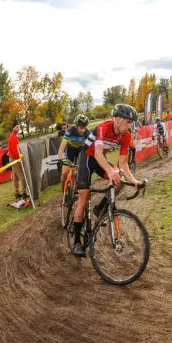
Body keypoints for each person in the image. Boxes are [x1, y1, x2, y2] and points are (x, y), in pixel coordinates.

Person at [71, 104, 144, 257]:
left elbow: (123, 164)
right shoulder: (103, 127)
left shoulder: (126, 136)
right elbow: (97, 154)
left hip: (99, 160)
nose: (131, 126)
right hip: (87, 159)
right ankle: (76, 242)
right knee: (83, 199)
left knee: (120, 179)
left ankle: (100, 209)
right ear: (117, 119)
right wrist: (110, 171)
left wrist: (134, 181)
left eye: (132, 123)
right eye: (129, 122)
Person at [57, 114, 91, 189]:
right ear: (76, 126)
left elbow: (92, 146)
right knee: (64, 173)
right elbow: (62, 146)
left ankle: (74, 186)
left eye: (85, 127)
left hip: (80, 151)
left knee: (78, 172)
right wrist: (60, 160)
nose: (83, 130)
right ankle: (64, 194)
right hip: (70, 151)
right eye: (81, 127)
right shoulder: (70, 130)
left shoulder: (87, 132)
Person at [8, 121, 28, 199]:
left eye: (19, 127)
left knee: (16, 177)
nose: (18, 128)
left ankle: (16, 192)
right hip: (15, 158)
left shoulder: (14, 136)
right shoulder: (13, 137)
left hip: (12, 158)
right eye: (17, 127)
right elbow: (15, 150)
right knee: (22, 176)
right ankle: (24, 192)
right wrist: (20, 157)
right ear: (13, 128)